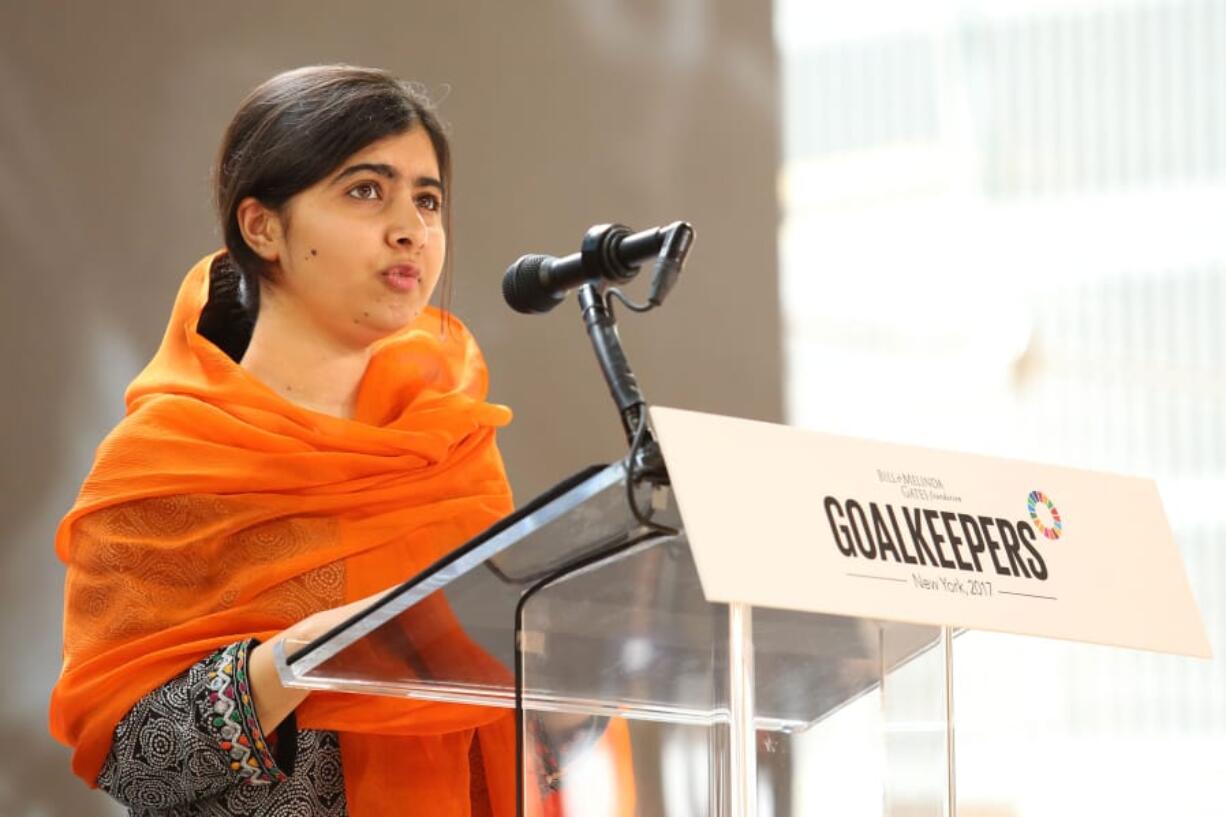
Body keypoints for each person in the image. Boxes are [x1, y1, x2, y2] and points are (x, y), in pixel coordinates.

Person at [49, 64, 635, 817]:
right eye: (366, 190)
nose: (410, 228)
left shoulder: (447, 442)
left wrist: (568, 699)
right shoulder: (164, 459)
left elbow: (511, 739)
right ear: (261, 226)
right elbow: (133, 760)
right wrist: (292, 661)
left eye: (428, 200)